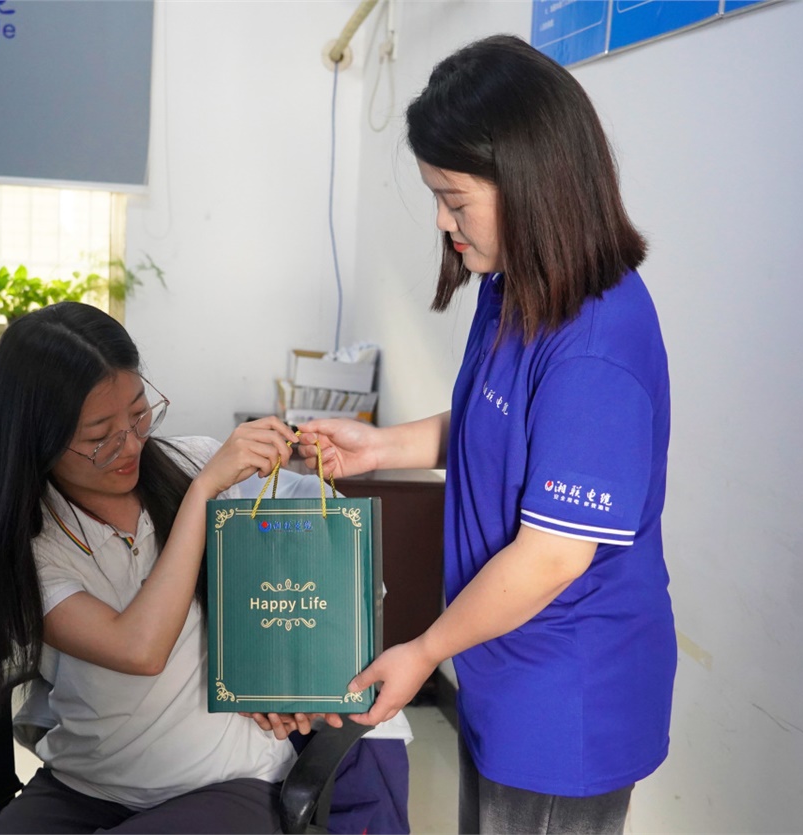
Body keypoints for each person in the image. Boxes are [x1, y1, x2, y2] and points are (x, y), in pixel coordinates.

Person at [296, 35, 676, 835]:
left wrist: (425, 648)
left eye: (454, 199)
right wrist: (382, 447)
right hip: (500, 664)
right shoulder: (515, 288)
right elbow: (493, 424)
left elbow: (552, 556)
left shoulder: (597, 346)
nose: (443, 221)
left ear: (532, 183)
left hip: (565, 694)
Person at [0, 302, 335, 834]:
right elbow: (138, 647)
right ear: (35, 437)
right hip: (86, 784)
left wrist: (288, 672)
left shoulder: (194, 463)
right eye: (99, 435)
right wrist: (201, 497)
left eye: (140, 414)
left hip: (226, 779)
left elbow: (330, 543)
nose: (132, 444)